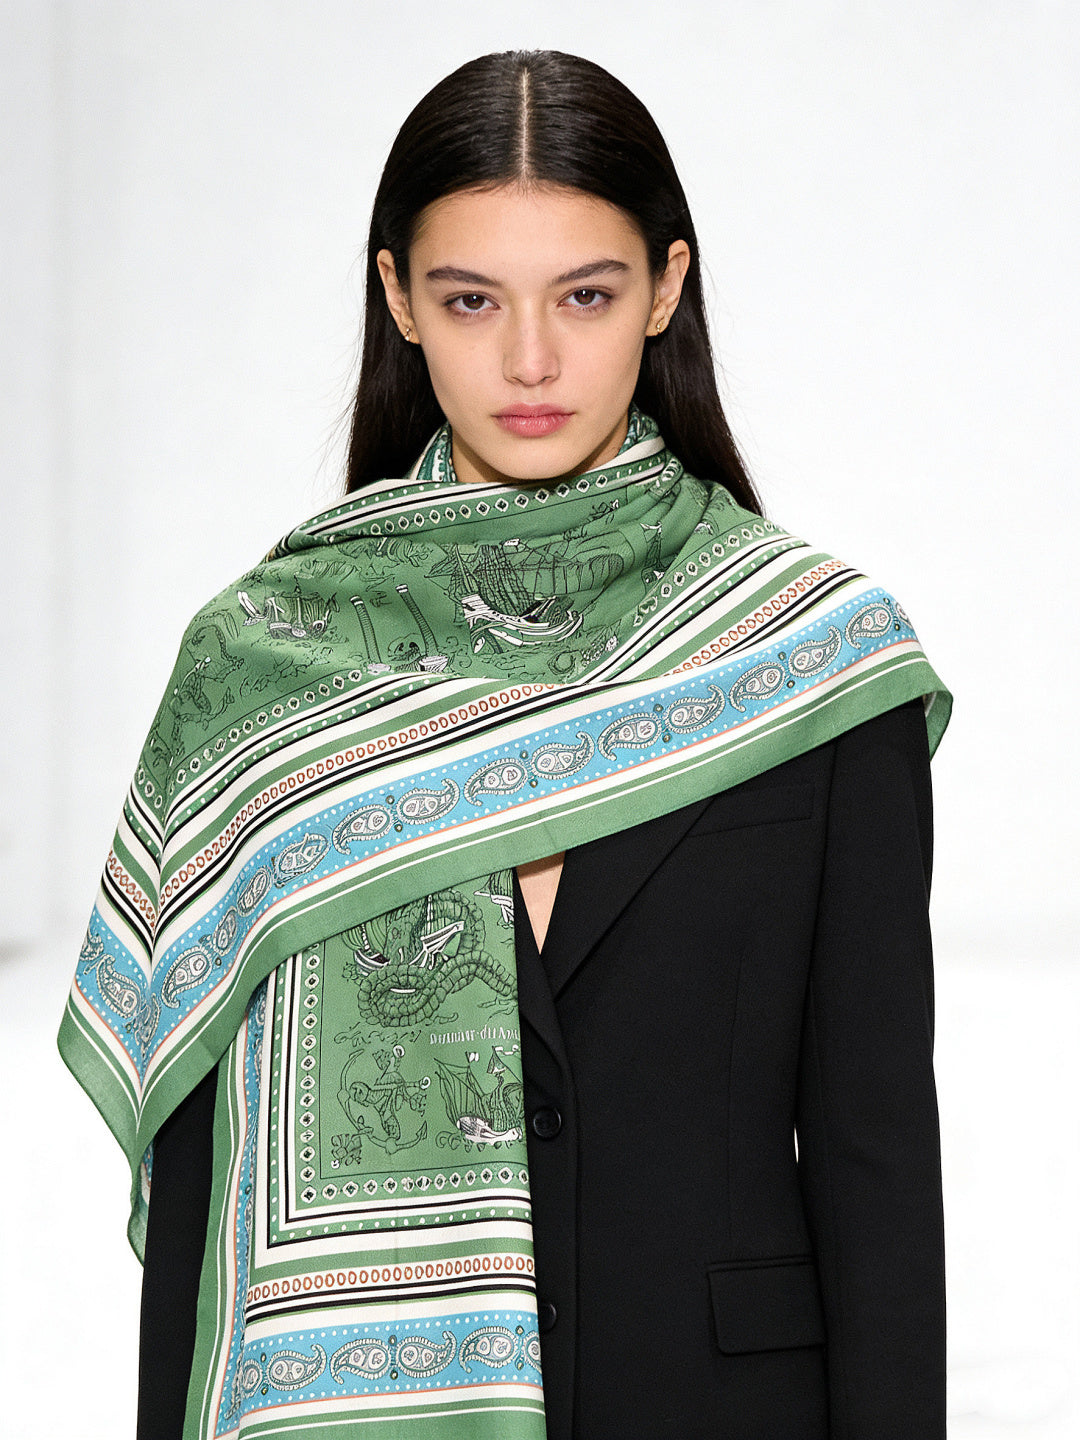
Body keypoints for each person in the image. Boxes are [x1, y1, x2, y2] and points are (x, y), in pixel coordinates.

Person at [59, 49, 951, 1440]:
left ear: (666, 286)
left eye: (585, 296)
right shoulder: (258, 673)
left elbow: (875, 1157)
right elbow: (197, 1196)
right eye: (472, 299)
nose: (531, 360)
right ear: (399, 298)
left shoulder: (812, 660)